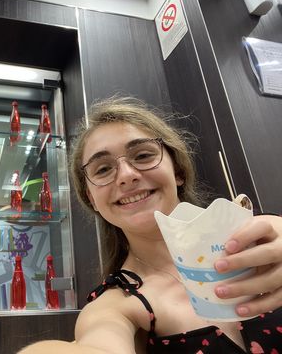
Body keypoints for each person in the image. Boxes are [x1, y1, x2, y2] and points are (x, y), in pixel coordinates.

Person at [20, 97, 282, 353]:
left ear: (177, 171)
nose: (127, 176)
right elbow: (98, 341)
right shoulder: (118, 307)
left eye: (143, 155)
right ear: (92, 200)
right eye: (102, 170)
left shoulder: (264, 241)